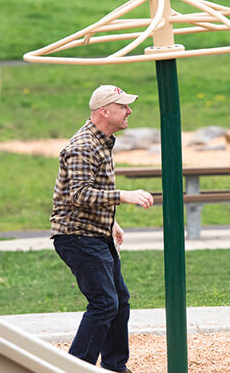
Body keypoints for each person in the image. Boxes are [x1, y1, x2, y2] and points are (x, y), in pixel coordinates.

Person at [50, 84, 154, 373]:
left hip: (96, 231)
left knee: (119, 301)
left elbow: (91, 191)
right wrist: (124, 196)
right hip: (76, 236)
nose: (129, 110)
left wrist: (112, 221)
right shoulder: (82, 146)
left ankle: (114, 367)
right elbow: (80, 195)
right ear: (104, 111)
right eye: (123, 106)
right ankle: (74, 369)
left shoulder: (102, 141)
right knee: (104, 303)